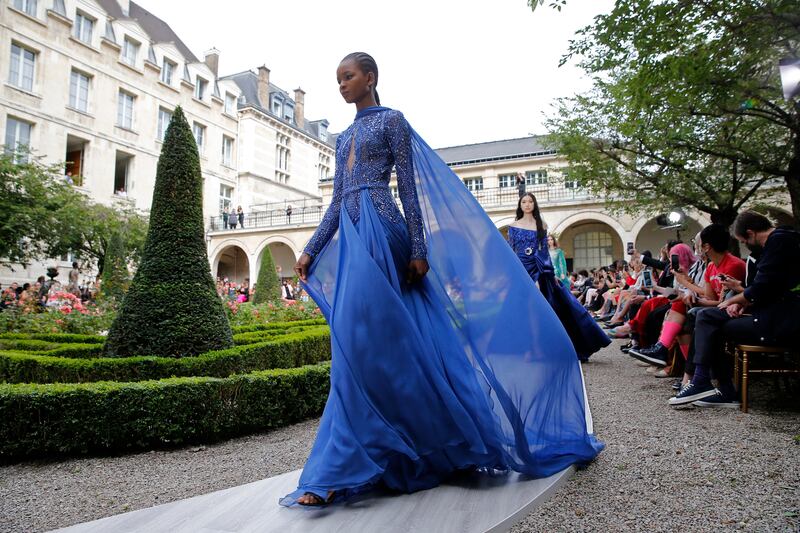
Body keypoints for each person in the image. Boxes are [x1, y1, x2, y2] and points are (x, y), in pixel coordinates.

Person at [287, 53, 602, 507]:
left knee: (392, 343)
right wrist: (312, 248)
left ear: (370, 78)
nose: (341, 85)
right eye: (337, 79)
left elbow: (410, 190)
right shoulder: (342, 138)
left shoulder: (392, 121)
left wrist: (418, 248)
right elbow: (336, 200)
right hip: (356, 240)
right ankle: (353, 460)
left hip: (387, 233)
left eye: (348, 76)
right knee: (356, 345)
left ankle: (374, 459)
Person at [669, 212, 800, 407]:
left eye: (743, 241)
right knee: (710, 321)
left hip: (782, 321)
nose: (745, 246)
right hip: (777, 315)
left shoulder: (778, 242)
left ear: (750, 233)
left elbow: (762, 288)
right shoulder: (783, 239)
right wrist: (740, 300)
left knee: (708, 318)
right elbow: (769, 287)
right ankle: (716, 386)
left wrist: (732, 301)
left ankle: (705, 381)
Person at [508, 193, 610, 362]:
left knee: (547, 307)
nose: (527, 204)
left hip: (539, 269)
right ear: (520, 205)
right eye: (524, 202)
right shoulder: (513, 226)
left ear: (534, 204)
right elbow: (512, 251)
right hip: (520, 268)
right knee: (523, 309)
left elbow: (543, 251)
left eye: (530, 201)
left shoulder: (542, 224)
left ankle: (543, 347)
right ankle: (527, 347)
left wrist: (551, 273)